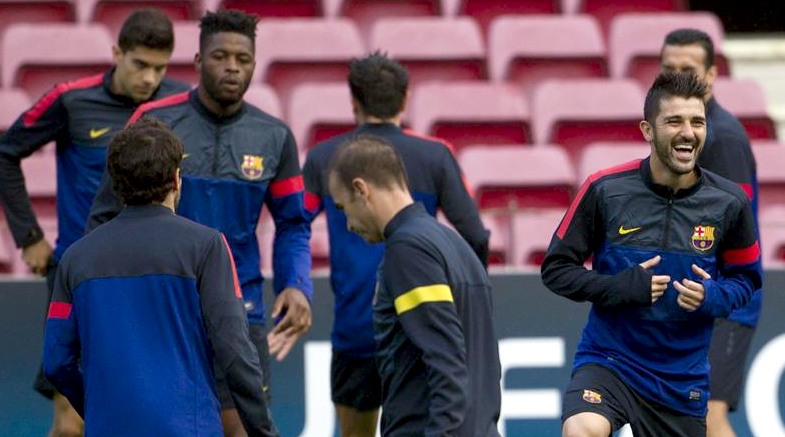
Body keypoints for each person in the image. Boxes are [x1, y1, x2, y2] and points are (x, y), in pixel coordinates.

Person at [86, 9, 313, 437]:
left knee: (241, 428)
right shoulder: (154, 122)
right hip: (164, 308)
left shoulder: (275, 136)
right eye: (220, 56)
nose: (232, 67)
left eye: (243, 59)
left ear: (254, 63)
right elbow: (105, 217)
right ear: (197, 61)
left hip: (240, 308)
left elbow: (293, 223)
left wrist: (296, 282)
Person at [0, 8, 189, 436]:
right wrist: (28, 236)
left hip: (155, 277)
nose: (149, 78)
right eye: (140, 64)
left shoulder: (179, 104)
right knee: (72, 423)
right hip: (82, 274)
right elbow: (6, 153)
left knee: (147, 415)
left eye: (160, 68)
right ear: (117, 53)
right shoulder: (70, 99)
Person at [541, 72, 763, 437]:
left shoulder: (730, 202)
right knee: (582, 429)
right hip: (610, 361)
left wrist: (712, 296)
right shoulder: (604, 189)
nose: (688, 132)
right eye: (674, 121)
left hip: (681, 380)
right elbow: (556, 269)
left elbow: (747, 279)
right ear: (648, 130)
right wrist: (618, 287)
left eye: (697, 122)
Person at [42, 118, 279, 437]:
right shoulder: (207, 246)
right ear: (176, 179)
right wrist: (263, 431)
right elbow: (235, 349)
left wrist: (97, 408)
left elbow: (56, 361)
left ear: (115, 183)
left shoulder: (75, 258)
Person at [302, 51, 490, 436]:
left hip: (355, 326)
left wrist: (296, 287)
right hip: (423, 319)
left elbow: (293, 227)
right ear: (405, 99)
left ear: (353, 101)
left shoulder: (325, 158)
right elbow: (475, 235)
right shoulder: (436, 155)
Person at [327, 134, 501, 436]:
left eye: (343, 208)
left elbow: (446, 363)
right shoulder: (455, 244)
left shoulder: (408, 251)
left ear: (361, 189)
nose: (349, 224)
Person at [660, 28, 763, 437]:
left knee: (709, 417)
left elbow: (736, 224)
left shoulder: (725, 138)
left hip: (726, 300)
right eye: (668, 68)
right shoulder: (683, 133)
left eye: (687, 69)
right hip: (696, 297)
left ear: (712, 74)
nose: (676, 77)